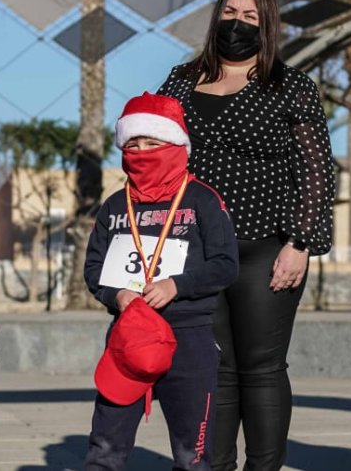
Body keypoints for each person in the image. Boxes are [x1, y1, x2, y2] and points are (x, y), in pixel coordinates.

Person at [157, 0, 336, 470]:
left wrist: (300, 243)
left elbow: (316, 170)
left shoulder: (291, 86)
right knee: (211, 369)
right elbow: (155, 155)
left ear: (268, 26)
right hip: (192, 253)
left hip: (266, 247)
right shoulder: (178, 81)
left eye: (251, 16)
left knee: (260, 369)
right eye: (230, 11)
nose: (238, 21)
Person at [83, 93, 239, 470]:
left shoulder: (202, 200)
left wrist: (176, 285)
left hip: (189, 337)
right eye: (132, 144)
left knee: (193, 453)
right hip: (128, 337)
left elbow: (225, 265)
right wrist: (114, 294)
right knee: (105, 445)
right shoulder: (115, 206)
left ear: (176, 145)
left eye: (152, 143)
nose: (141, 151)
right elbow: (93, 269)